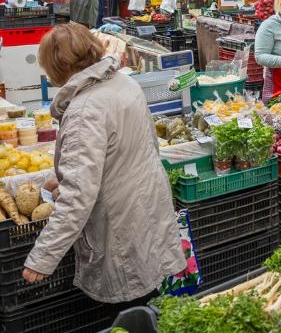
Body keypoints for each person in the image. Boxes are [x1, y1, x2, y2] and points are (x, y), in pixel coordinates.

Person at [23, 22, 185, 309]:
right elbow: (129, 149)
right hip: (146, 210)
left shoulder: (85, 109)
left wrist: (43, 257)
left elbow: (77, 197)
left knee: (131, 312)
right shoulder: (123, 82)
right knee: (149, 302)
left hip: (119, 226)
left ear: (58, 66)